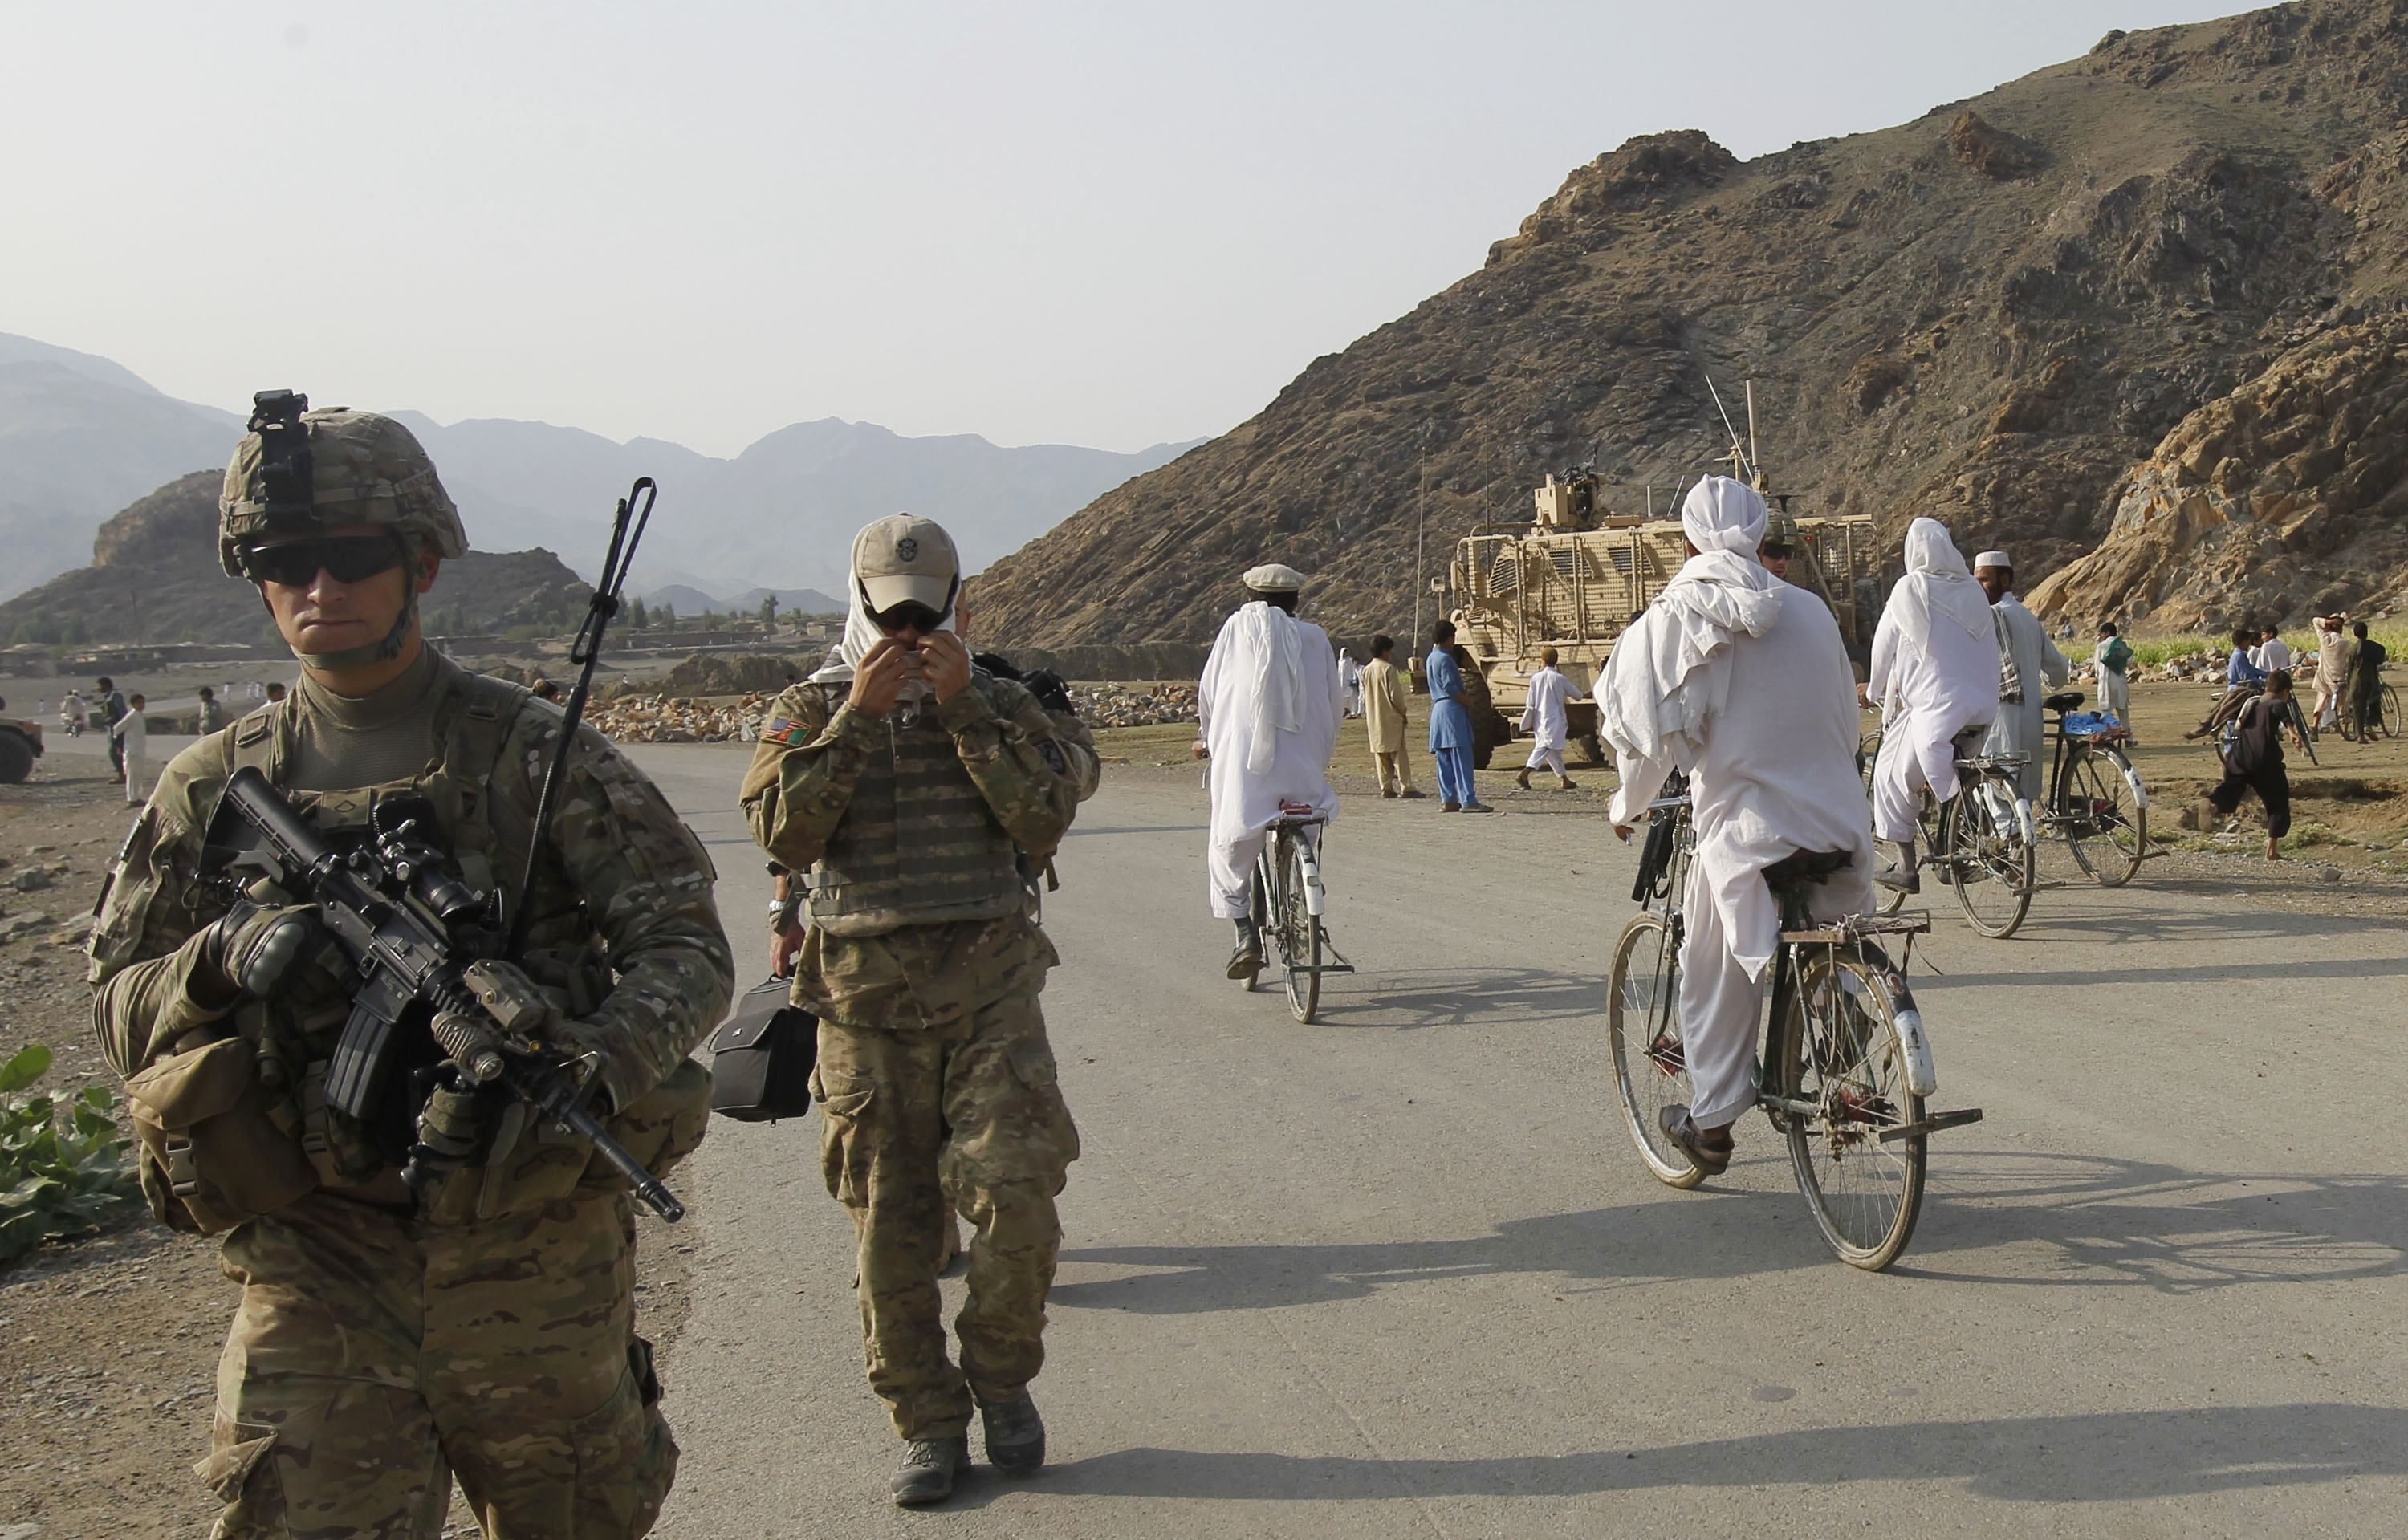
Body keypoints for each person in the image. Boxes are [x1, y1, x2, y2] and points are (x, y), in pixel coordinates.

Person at [89, 397, 733, 1538]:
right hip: (316, 1253)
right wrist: (217, 960)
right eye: (288, 562)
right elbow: (118, 1004)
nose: (319, 588)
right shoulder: (211, 782)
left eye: (353, 558)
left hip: (526, 1243)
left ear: (421, 563)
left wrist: (594, 1059)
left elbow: (686, 947)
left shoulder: (535, 751)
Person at [741, 513, 1094, 1507]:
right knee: (890, 1232)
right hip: (864, 1008)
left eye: (922, 613)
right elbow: (784, 830)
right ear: (856, 603)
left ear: (956, 602)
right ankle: (928, 1422)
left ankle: (1000, 1377)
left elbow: (1046, 814)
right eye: (887, 614)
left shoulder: (1009, 699)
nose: (905, 631)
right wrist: (854, 718)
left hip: (990, 996)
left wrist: (966, 710)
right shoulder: (806, 706)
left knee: (1018, 1199)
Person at [1600, 475, 1873, 1173]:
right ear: (1757, 535)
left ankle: (1714, 1125)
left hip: (1750, 834)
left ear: (1686, 538)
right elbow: (1846, 719)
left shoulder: (1680, 612)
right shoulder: (1809, 610)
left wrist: (1626, 807)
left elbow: (1649, 730)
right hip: (1841, 820)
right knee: (1831, 923)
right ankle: (1839, 1001)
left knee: (1712, 965)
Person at [1196, 563, 1344, 978]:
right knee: (1304, 820)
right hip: (1304, 768)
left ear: (1250, 596)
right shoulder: (1315, 637)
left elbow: (1210, 692)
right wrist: (1319, 752)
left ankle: (1244, 933)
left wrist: (1208, 738)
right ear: (1296, 600)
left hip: (1246, 766)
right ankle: (1303, 888)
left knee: (1231, 838)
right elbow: (1334, 704)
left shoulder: (1236, 630)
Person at [1864, 518, 1999, 892]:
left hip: (1936, 711)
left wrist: (1874, 691)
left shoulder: (1909, 589)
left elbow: (1883, 648)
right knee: (1954, 773)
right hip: (1984, 709)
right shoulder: (1973, 590)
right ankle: (1954, 835)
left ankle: (1907, 868)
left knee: (1889, 775)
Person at [1972, 551, 2068, 801]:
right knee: (2022, 795)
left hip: (2001, 716)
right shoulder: (2028, 617)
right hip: (2032, 717)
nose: (1978, 587)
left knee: (1997, 789)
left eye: (1983, 580)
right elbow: (2058, 670)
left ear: (2005, 580)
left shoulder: (1992, 616)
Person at [2194, 668, 2296, 860]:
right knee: (2278, 801)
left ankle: (2212, 805)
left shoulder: (2251, 702)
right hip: (2264, 760)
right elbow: (2281, 712)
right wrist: (2292, 732)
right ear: (2284, 691)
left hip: (2239, 757)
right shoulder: (2277, 703)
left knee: (2231, 791)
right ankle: (2271, 851)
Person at [1426, 620, 1488, 813]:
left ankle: (1448, 798)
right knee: (1462, 757)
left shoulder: (1430, 658)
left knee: (1444, 759)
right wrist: (1468, 701)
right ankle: (1468, 799)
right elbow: (1450, 687)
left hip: (1438, 710)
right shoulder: (1445, 659)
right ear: (1449, 638)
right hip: (1452, 710)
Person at [1361, 633, 1422, 799]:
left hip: (1374, 717)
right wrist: (1403, 712)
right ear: (1385, 652)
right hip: (1391, 717)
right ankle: (1406, 786)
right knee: (1398, 754)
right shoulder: (1388, 669)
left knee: (1381, 754)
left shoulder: (1366, 670)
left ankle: (1386, 786)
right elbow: (1396, 696)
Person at [2185, 627, 2269, 740]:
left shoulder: (2239, 654)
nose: (2249, 643)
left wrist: (2268, 674)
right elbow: (2247, 676)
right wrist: (2261, 681)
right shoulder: (2240, 656)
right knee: (2236, 717)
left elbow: (2252, 670)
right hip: (2240, 690)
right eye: (2248, 641)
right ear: (2244, 641)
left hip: (2237, 687)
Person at [1515, 647, 1582, 790]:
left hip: (1539, 719)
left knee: (1553, 752)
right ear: (1556, 661)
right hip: (1556, 720)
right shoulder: (1559, 679)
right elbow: (1577, 695)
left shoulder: (1535, 678)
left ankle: (1565, 780)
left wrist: (1530, 721)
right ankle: (1525, 772)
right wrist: (1587, 695)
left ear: (1543, 660)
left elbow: (1530, 703)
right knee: (1545, 747)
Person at [2311, 614, 2353, 736]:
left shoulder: (2325, 639)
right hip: (2339, 678)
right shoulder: (2346, 643)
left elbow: (2315, 620)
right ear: (2341, 629)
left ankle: (2314, 727)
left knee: (2320, 704)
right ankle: (2344, 730)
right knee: (2344, 705)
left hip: (2324, 678)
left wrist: (2328, 621)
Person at [2348, 620, 2389, 737]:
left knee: (2358, 707)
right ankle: (2370, 725)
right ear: (2367, 633)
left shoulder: (2352, 649)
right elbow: (2380, 656)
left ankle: (2360, 735)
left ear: (2355, 634)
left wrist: (2349, 684)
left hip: (2356, 682)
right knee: (2375, 700)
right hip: (2371, 681)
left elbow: (2350, 668)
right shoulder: (2374, 647)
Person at [2093, 622, 2133, 730]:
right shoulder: (2121, 645)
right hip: (2120, 682)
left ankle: (2106, 739)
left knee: (2105, 712)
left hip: (2106, 683)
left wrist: (2099, 676)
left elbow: (2097, 666)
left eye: (2102, 633)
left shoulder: (2101, 646)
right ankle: (2129, 739)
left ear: (2107, 633)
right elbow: (2129, 661)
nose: (2101, 636)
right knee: (2123, 713)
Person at [113, 693, 149, 803]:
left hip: (139, 749)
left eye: (143, 702)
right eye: (139, 703)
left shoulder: (139, 715)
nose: (141, 705)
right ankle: (132, 798)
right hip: (132, 750)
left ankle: (137, 796)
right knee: (132, 775)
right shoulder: (132, 716)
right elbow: (117, 729)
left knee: (138, 774)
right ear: (133, 704)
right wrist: (119, 745)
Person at [97, 676, 128, 782]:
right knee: (115, 752)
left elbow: (122, 713)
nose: (98, 689)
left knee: (114, 752)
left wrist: (119, 726)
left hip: (117, 728)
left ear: (105, 685)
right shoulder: (108, 697)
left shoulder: (115, 696)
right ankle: (122, 774)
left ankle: (123, 775)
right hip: (111, 727)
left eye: (99, 686)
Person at [1337, 646, 1364, 719]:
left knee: (1353, 697)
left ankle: (1353, 712)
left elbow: (1353, 670)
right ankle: (1345, 711)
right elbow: (1339, 672)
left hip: (1350, 681)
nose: (1346, 654)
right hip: (1342, 682)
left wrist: (1354, 679)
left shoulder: (1350, 661)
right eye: (1345, 652)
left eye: (1347, 652)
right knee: (1343, 697)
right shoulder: (1340, 662)